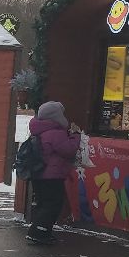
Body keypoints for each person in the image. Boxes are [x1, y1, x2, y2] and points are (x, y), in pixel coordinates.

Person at [25, 101, 80, 245]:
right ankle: (38, 233)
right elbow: (68, 150)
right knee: (53, 204)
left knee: (44, 203)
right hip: (52, 175)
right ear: (56, 116)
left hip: (39, 174)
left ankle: (41, 231)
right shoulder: (55, 133)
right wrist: (75, 136)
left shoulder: (40, 130)